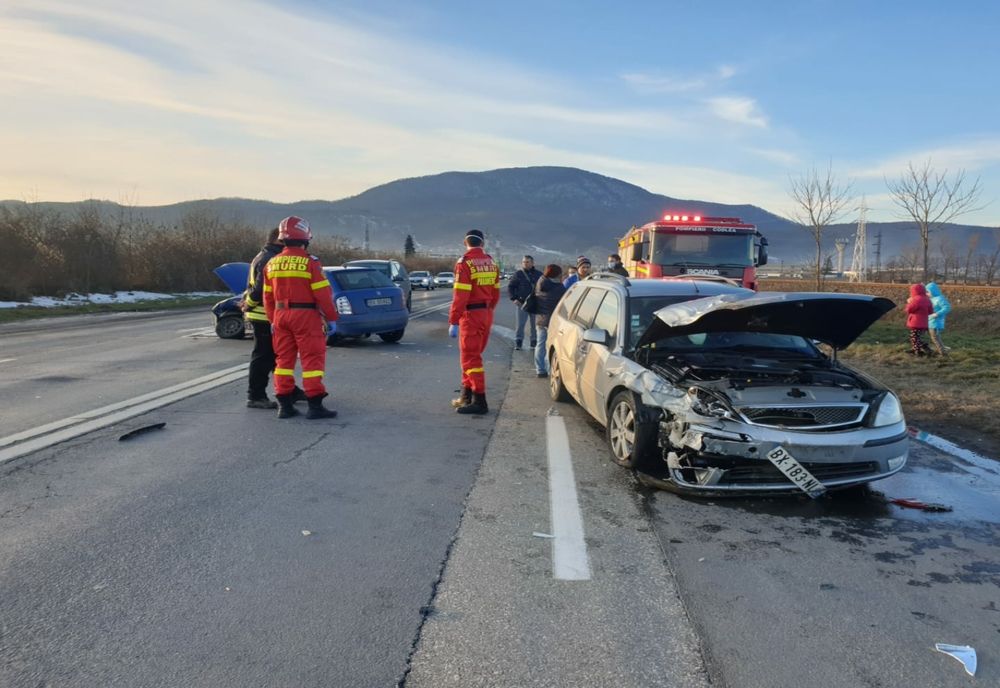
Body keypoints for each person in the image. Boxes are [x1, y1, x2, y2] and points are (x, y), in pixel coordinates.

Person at [263, 216, 339, 419]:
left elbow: (267, 297)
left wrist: (273, 320)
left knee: (283, 361)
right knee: (312, 359)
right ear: (305, 239)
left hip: (280, 316)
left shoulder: (272, 263)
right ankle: (315, 406)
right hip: (306, 316)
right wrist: (332, 317)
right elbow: (322, 294)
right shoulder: (310, 262)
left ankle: (285, 406)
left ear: (282, 239)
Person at [241, 227, 305, 409]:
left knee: (278, 356)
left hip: (267, 314)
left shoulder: (265, 255)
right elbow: (261, 289)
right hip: (263, 315)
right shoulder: (270, 258)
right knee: (264, 357)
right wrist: (249, 303)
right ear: (279, 239)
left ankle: (289, 390)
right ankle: (256, 396)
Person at [448, 229, 500, 415]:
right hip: (486, 313)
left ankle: (480, 401)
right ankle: (466, 396)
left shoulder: (465, 263)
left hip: (471, 315)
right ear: (482, 243)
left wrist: (454, 320)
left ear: (465, 242)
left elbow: (460, 295)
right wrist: (488, 311)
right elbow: (495, 293)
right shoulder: (491, 262)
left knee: (471, 358)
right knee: (471, 357)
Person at [533, 264, 567, 377]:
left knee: (540, 345)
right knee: (551, 346)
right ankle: (549, 369)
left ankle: (540, 369)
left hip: (540, 319)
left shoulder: (540, 283)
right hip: (553, 321)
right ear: (557, 275)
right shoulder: (559, 288)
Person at [507, 255, 542, 350]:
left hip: (535, 303)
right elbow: (511, 287)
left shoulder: (539, 274)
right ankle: (518, 342)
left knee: (535, 325)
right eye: (523, 262)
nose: (525, 264)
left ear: (532, 263)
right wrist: (514, 298)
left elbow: (544, 287)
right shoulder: (518, 274)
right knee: (520, 324)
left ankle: (534, 342)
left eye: (527, 262)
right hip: (522, 303)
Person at [904, 283, 933, 356]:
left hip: (916, 322)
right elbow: (930, 311)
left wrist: (909, 302)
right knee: (917, 337)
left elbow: (909, 310)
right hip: (924, 323)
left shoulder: (915, 300)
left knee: (914, 338)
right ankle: (917, 348)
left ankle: (918, 351)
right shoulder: (927, 299)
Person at [925, 282, 952, 355]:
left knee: (935, 338)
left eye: (928, 292)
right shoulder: (931, 299)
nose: (926, 294)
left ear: (933, 291)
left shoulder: (939, 298)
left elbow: (947, 307)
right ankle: (942, 348)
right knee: (935, 338)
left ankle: (943, 353)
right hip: (931, 321)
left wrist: (937, 314)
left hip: (936, 322)